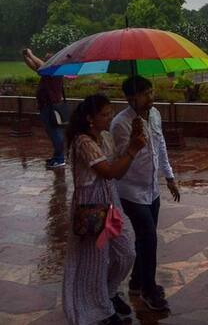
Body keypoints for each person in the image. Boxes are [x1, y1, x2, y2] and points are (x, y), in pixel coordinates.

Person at [62, 94, 145, 325]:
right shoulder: (83, 141)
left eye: (110, 112)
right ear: (90, 118)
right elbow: (109, 171)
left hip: (110, 199)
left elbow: (118, 167)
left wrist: (133, 143)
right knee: (96, 260)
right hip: (91, 204)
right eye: (105, 114)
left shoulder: (106, 137)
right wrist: (132, 150)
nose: (109, 117)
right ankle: (100, 310)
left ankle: (108, 293)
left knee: (126, 252)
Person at [110, 75, 180, 312]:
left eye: (151, 92)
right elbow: (117, 161)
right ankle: (149, 290)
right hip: (130, 191)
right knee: (148, 238)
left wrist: (169, 176)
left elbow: (161, 147)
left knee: (145, 238)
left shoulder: (155, 114)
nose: (151, 97)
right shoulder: (121, 124)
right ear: (131, 97)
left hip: (152, 188)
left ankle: (137, 281)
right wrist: (133, 143)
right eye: (145, 93)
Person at [21, 48, 66, 168]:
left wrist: (31, 53)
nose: (44, 61)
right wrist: (26, 57)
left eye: (46, 59)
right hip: (47, 106)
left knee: (55, 133)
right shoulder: (47, 72)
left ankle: (60, 159)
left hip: (51, 107)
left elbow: (42, 66)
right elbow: (34, 67)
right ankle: (57, 156)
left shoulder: (54, 71)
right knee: (52, 132)